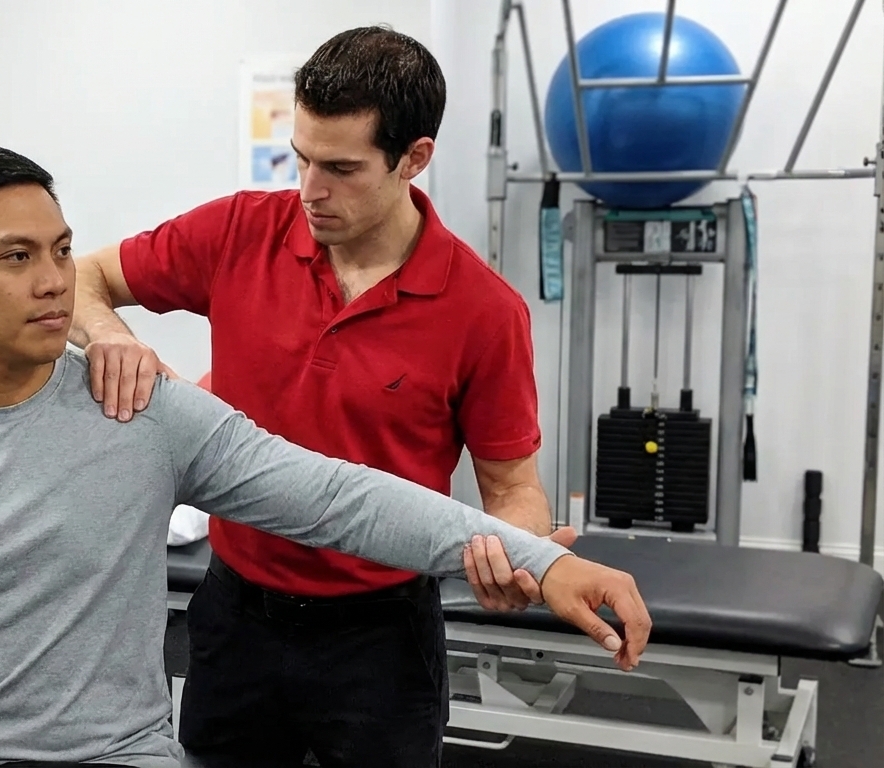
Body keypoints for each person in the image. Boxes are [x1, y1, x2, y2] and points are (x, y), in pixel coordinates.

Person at [0, 145, 651, 768]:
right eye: (16, 257)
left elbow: (337, 496)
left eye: (64, 251)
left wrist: (541, 565)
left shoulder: (141, 410)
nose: (53, 280)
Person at [69, 25, 564, 768]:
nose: (309, 190)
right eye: (300, 158)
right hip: (236, 611)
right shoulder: (240, 230)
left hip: (381, 638)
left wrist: (515, 557)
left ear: (414, 159)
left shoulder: (484, 311)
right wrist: (116, 342)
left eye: (340, 167)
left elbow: (513, 488)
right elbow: (82, 278)